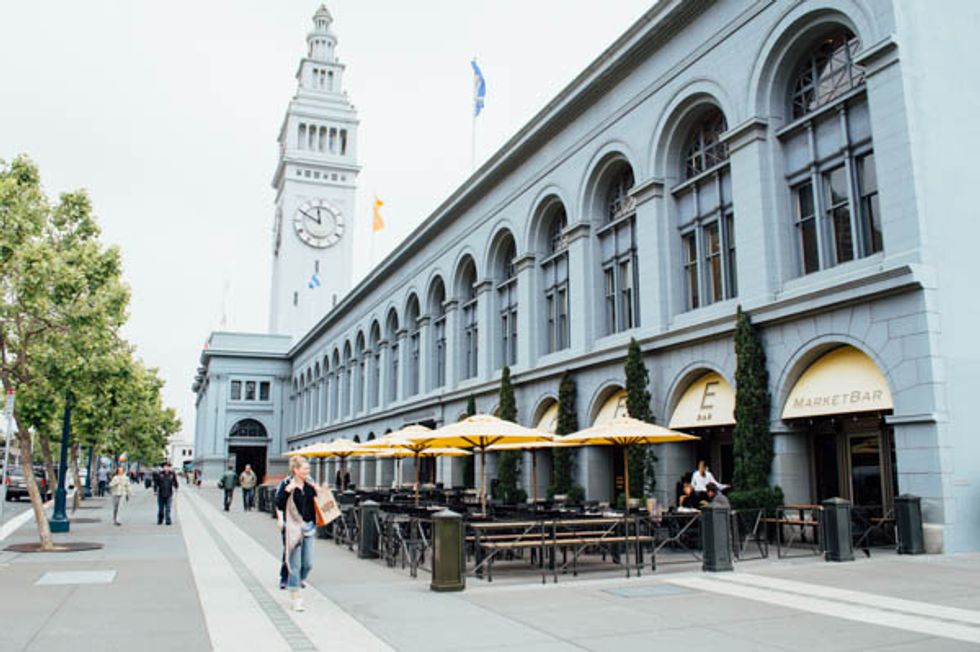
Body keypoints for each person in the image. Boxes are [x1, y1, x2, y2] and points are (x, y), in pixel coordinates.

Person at [276, 455, 325, 612]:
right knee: (295, 565)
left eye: (308, 469)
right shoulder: (287, 485)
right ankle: (296, 597)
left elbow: (322, 503)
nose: (308, 471)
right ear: (296, 470)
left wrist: (322, 491)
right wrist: (286, 491)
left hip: (309, 528)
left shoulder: (310, 486)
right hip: (293, 529)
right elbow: (278, 503)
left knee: (308, 563)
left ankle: (297, 582)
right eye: (305, 469)